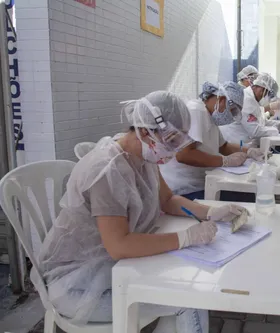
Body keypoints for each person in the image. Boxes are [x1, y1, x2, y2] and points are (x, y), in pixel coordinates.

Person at [35, 91, 249, 331]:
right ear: (146, 131)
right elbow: (119, 246)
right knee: (189, 300)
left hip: (109, 265)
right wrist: (186, 237)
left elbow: (167, 200)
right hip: (78, 284)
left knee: (183, 283)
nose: (172, 151)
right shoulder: (107, 170)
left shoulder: (142, 155)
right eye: (170, 140)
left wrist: (209, 212)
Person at [160, 82, 267, 200]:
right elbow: (184, 155)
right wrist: (225, 161)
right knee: (244, 198)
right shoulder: (196, 111)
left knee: (248, 194)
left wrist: (250, 151)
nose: (231, 116)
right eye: (232, 110)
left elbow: (224, 146)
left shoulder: (210, 116)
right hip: (185, 187)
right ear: (221, 99)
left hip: (202, 181)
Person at [220, 73, 280, 147]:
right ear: (262, 90)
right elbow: (255, 131)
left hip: (245, 142)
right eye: (268, 95)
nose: (268, 99)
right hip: (237, 145)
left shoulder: (254, 100)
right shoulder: (247, 100)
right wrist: (276, 130)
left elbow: (261, 121)